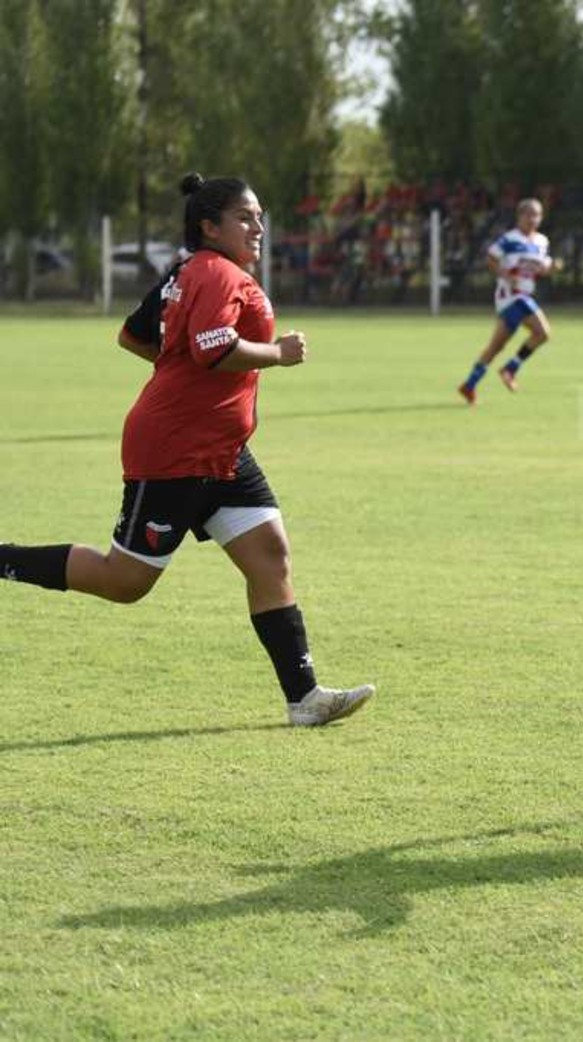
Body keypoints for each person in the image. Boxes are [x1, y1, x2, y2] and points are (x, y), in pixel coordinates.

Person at [0, 173, 373, 726]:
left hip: (222, 450)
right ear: (209, 227)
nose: (258, 225)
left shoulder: (188, 271)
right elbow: (213, 347)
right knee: (123, 582)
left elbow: (136, 336)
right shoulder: (217, 273)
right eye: (245, 216)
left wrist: (178, 368)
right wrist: (278, 352)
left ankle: (305, 699)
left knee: (270, 553)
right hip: (175, 452)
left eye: (260, 215)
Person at [457, 197, 556, 404]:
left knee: (495, 347)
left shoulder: (541, 242)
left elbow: (540, 268)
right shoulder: (510, 239)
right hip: (511, 296)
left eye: (536, 215)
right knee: (543, 332)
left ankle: (469, 385)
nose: (532, 219)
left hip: (524, 295)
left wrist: (549, 268)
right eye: (528, 214)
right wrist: (504, 274)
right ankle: (510, 369)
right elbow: (491, 258)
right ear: (519, 217)